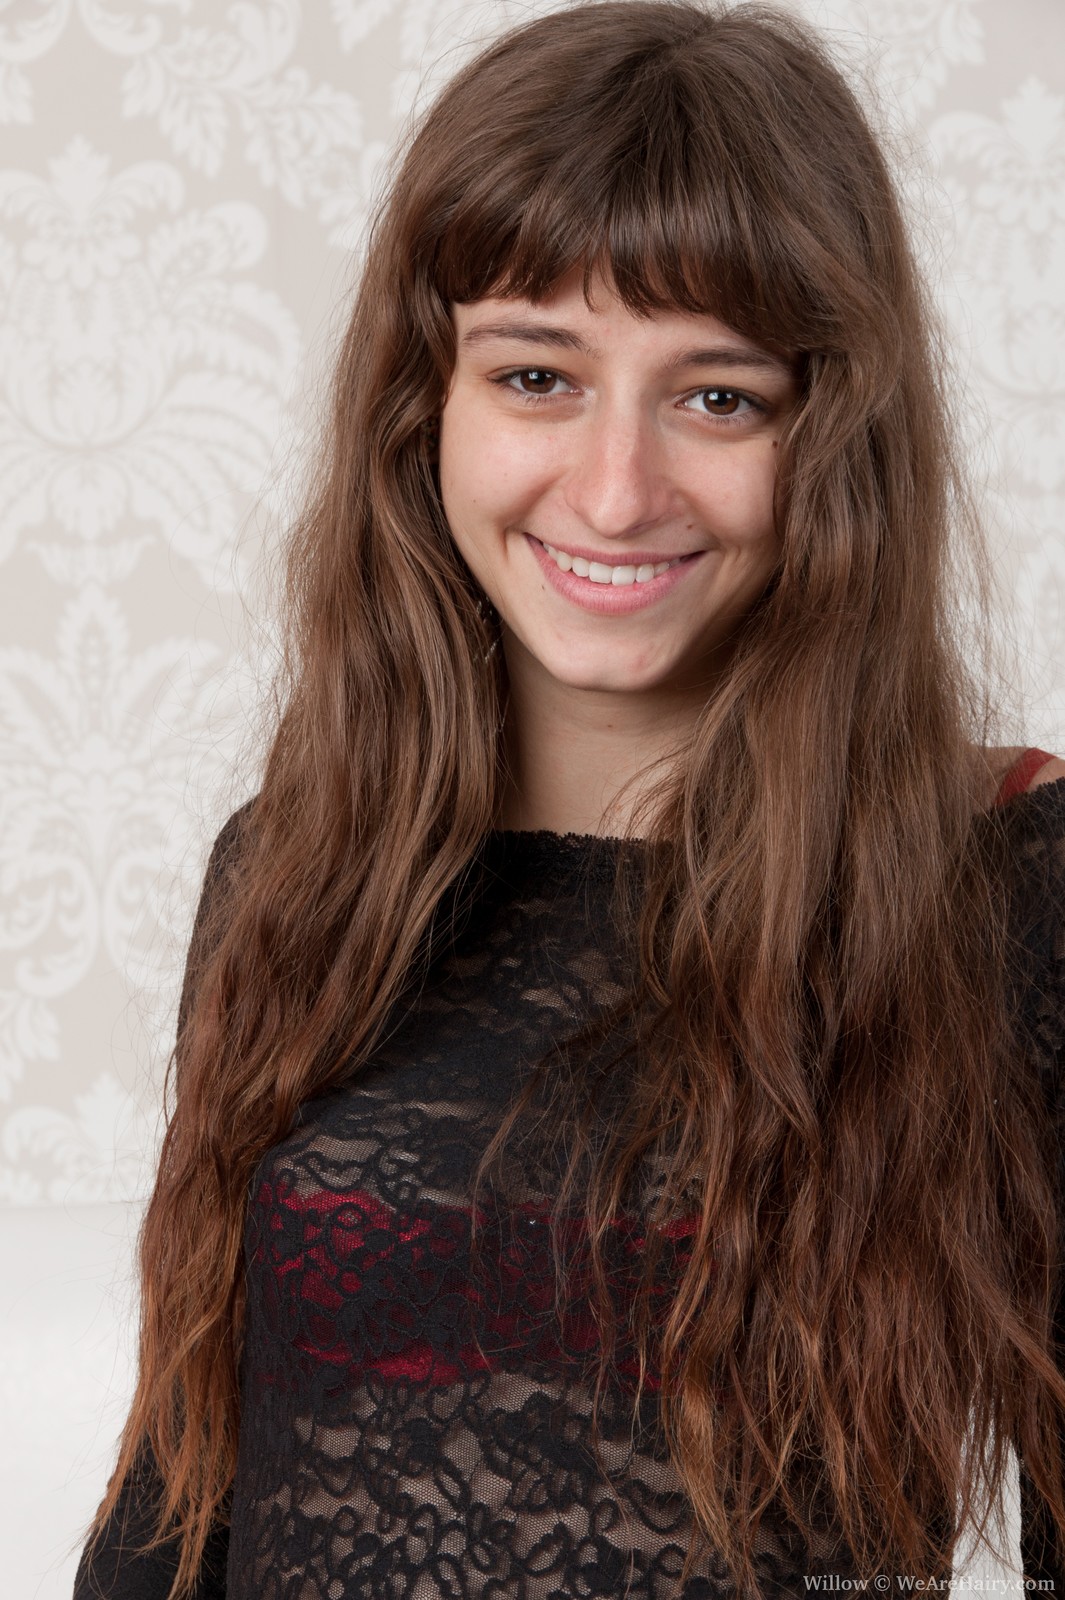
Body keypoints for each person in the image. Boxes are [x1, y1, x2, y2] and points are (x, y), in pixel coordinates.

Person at [74, 2, 1065, 1597]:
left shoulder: (1010, 882)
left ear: (832, 435)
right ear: (427, 405)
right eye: (536, 375)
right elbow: (172, 1503)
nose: (613, 491)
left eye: (717, 397)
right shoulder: (293, 866)